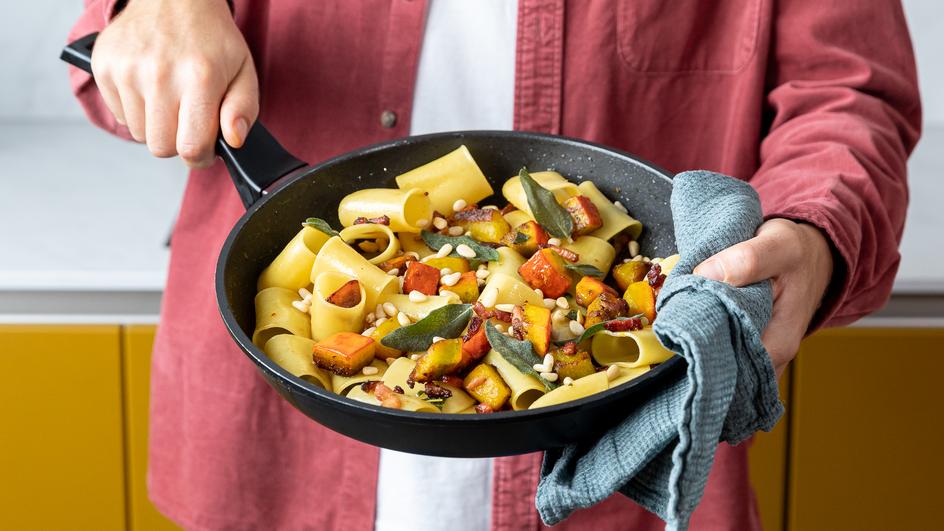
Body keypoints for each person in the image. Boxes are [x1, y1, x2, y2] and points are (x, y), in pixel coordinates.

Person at [67, 0, 920, 529]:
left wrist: (813, 234)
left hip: (630, 449)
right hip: (272, 456)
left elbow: (847, 93)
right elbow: (128, 60)